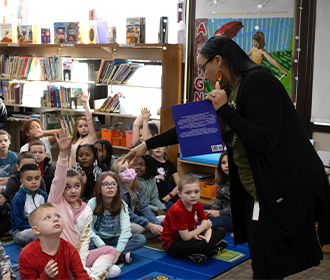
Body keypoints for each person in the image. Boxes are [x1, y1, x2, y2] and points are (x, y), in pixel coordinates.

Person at [124, 36, 330, 279]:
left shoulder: (258, 82)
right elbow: (190, 127)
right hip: (255, 192)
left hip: (277, 188)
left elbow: (265, 139)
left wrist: (224, 111)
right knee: (261, 261)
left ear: (218, 61)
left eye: (203, 67)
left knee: (272, 263)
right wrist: (146, 144)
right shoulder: (230, 91)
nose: (203, 75)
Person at [48, 128, 121, 279]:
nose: (73, 191)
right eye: (67, 187)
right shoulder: (56, 202)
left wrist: (78, 268)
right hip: (57, 257)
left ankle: (89, 276)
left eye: (77, 186)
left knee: (110, 252)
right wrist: (63, 154)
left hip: (78, 256)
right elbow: (58, 179)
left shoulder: (86, 209)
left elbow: (84, 240)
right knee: (111, 270)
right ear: (61, 189)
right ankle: (84, 274)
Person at [161, 174, 227, 264]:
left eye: (196, 192)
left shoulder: (198, 205)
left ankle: (200, 251)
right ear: (179, 194)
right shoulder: (177, 210)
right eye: (188, 193)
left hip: (192, 234)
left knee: (221, 231)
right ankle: (212, 250)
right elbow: (186, 237)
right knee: (201, 244)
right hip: (174, 243)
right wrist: (202, 229)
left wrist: (206, 239)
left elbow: (206, 225)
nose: (193, 196)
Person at [18, 203, 91, 280]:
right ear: (36, 230)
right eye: (48, 217)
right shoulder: (27, 255)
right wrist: (46, 277)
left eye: (57, 216)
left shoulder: (69, 249)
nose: (56, 219)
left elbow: (81, 276)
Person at [88, 171, 146, 265]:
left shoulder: (121, 204)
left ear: (117, 188)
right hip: (99, 239)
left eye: (113, 184)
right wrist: (103, 246)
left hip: (116, 238)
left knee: (140, 239)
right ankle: (121, 254)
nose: (110, 187)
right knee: (86, 243)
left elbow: (126, 230)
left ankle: (112, 255)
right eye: (106, 184)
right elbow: (89, 230)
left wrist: (118, 252)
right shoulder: (92, 203)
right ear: (99, 188)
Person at [112, 156, 163, 238]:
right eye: (122, 170)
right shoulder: (118, 192)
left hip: (137, 220)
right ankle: (148, 232)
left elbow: (143, 207)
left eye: (130, 168)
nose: (128, 171)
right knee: (133, 228)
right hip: (122, 223)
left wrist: (156, 224)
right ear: (117, 176)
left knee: (162, 219)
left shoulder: (136, 188)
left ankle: (153, 231)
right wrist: (149, 225)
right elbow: (129, 215)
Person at [10, 163, 48, 245]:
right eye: (29, 179)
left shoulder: (43, 195)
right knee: (38, 234)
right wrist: (39, 228)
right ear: (22, 181)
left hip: (41, 226)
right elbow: (20, 224)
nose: (34, 182)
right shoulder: (18, 199)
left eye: (37, 178)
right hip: (21, 231)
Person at [204, 151, 233, 232]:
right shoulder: (223, 181)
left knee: (214, 222)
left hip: (232, 216)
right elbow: (218, 199)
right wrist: (211, 212)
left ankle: (196, 228)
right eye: (223, 163)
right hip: (222, 210)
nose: (226, 165)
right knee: (198, 208)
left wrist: (219, 213)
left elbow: (240, 208)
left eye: (229, 162)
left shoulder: (241, 183)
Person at [69, 92, 97, 168]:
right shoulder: (75, 140)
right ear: (76, 129)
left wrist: (85, 103)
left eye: (86, 126)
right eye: (80, 126)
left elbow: (89, 119)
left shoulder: (91, 137)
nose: (83, 128)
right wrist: (69, 169)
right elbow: (71, 156)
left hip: (86, 168)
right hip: (75, 169)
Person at [151, 146, 180, 211]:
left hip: (164, 197)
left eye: (161, 146)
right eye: (155, 145)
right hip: (151, 198)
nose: (158, 148)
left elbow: (179, 184)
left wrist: (169, 196)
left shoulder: (170, 165)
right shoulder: (148, 162)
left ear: (166, 149)